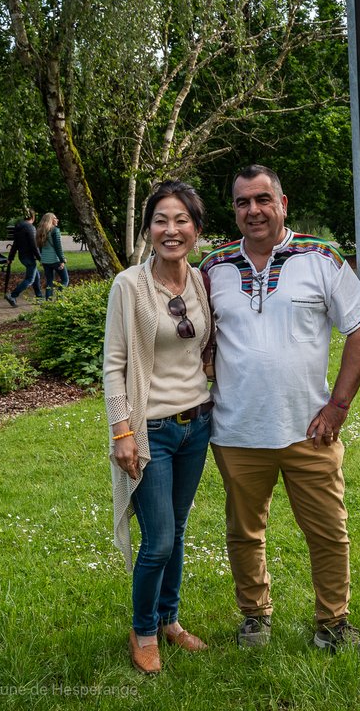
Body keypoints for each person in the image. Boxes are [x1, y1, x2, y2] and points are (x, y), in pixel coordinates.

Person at [201, 164, 360, 653]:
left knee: (329, 532)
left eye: (263, 199)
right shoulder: (213, 268)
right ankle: (254, 617)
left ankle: (333, 624)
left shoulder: (321, 257)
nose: (253, 210)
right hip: (236, 429)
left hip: (310, 430)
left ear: (283, 204)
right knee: (244, 533)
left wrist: (337, 407)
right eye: (242, 202)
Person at [104, 181, 215, 675]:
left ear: (196, 228)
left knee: (179, 528)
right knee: (159, 540)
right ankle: (144, 630)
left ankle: (170, 620)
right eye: (161, 220)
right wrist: (121, 431)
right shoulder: (129, 285)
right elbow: (113, 365)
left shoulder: (200, 281)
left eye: (181, 220)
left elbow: (202, 347)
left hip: (197, 424)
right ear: (149, 228)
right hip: (151, 430)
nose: (171, 230)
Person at [5, 209, 43, 306]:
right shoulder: (30, 227)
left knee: (36, 276)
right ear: (33, 217)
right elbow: (34, 245)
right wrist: (40, 258)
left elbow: (15, 244)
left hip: (22, 256)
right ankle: (12, 295)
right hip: (29, 257)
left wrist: (10, 258)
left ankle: (39, 298)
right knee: (30, 279)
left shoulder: (19, 227)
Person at [35, 212, 70, 300]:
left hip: (45, 260)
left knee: (49, 282)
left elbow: (40, 248)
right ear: (50, 220)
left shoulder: (40, 231)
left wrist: (42, 259)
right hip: (55, 260)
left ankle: (48, 302)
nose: (57, 220)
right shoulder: (55, 230)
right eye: (55, 218)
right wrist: (62, 260)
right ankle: (59, 298)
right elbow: (58, 248)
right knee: (65, 280)